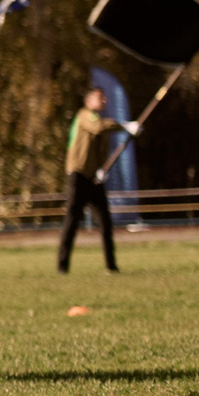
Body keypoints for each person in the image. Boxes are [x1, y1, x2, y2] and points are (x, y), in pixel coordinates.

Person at [59, 86, 130, 275]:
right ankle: (62, 266)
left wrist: (101, 170)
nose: (104, 101)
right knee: (72, 220)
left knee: (105, 223)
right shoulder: (85, 115)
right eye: (101, 98)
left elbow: (99, 149)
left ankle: (111, 266)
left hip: (94, 179)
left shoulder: (101, 123)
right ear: (89, 101)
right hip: (78, 176)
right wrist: (125, 126)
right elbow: (97, 127)